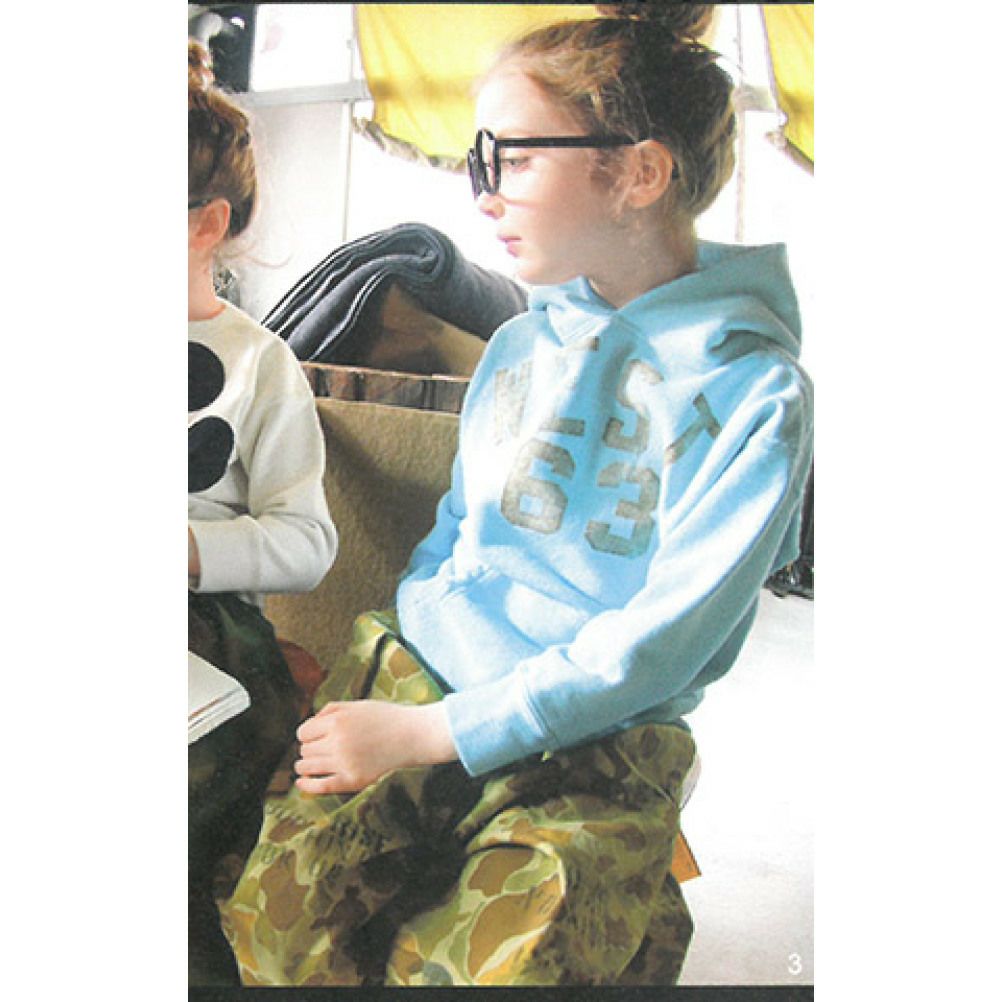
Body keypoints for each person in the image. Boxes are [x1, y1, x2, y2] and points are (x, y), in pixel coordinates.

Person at [221, 2, 812, 986]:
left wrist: (439, 735)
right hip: (421, 671)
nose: (484, 194)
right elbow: (460, 533)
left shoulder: (758, 395)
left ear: (639, 174)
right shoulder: (520, 346)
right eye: (478, 160)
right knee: (276, 941)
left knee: (497, 969)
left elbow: (662, 643)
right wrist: (398, 675)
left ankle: (627, 896)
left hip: (600, 734)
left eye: (514, 159)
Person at [187, 39, 338, 986]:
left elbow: (306, 542)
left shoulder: (258, 364)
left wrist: (183, 550)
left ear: (205, 223)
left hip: (202, 630)